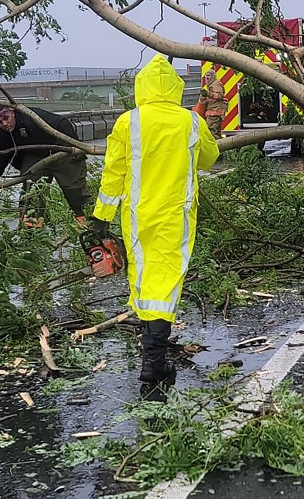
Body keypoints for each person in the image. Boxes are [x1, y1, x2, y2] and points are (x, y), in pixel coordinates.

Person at [90, 56, 219, 388]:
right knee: (165, 284)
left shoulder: (127, 122)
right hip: (176, 216)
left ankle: (153, 358)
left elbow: (113, 173)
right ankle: (153, 365)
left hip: (137, 217)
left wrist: (101, 219)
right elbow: (209, 158)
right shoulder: (190, 122)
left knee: (146, 281)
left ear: (141, 88)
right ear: (174, 88)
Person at [0, 105, 90, 227]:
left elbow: (62, 123)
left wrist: (70, 147)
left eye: (6, 118)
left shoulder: (31, 116)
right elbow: (2, 157)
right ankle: (31, 225)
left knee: (73, 187)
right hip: (35, 156)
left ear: (13, 113)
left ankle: (85, 219)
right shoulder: (1, 134)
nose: (4, 124)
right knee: (31, 190)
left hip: (60, 149)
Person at [199, 69, 227, 137]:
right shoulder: (211, 85)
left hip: (215, 112)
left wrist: (208, 94)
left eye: (209, 76)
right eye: (206, 76)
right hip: (212, 112)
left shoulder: (215, 84)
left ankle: (217, 145)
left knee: (213, 132)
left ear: (213, 76)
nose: (207, 78)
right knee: (213, 131)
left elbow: (219, 96)